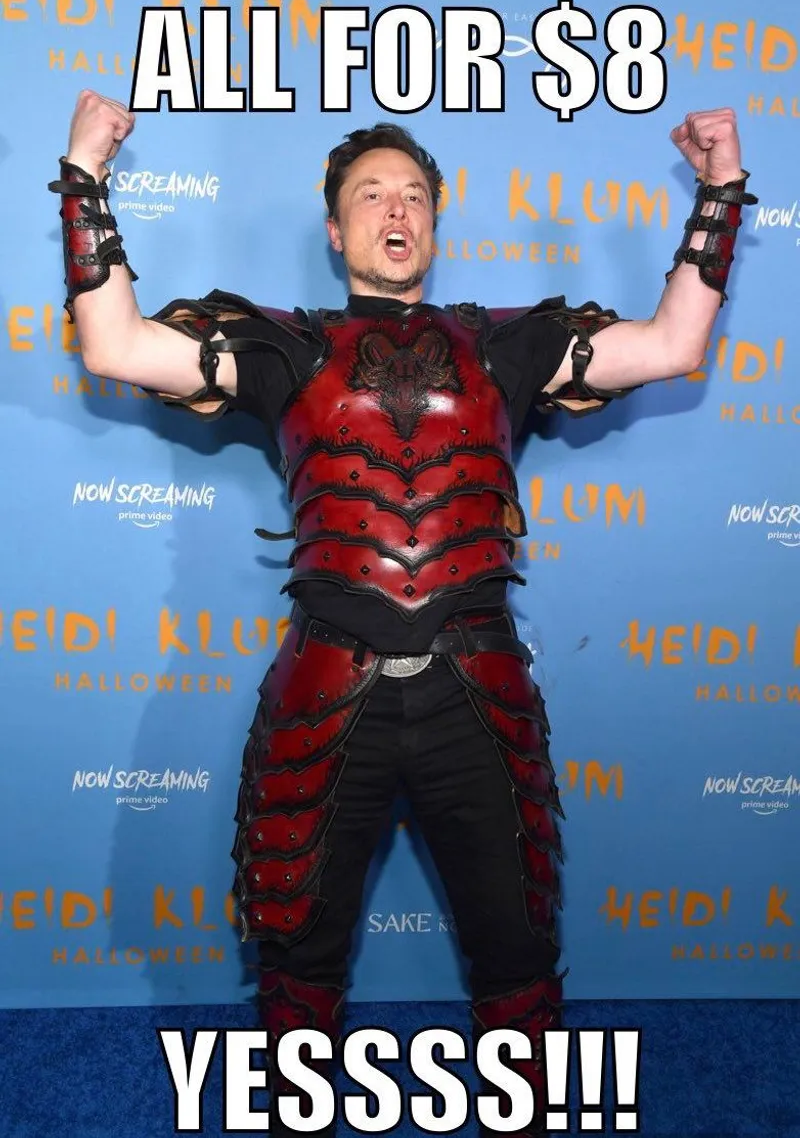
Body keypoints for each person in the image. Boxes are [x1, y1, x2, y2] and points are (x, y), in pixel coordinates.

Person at [49, 90, 755, 1136]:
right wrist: (84, 173)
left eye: (414, 194)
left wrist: (719, 189)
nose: (395, 208)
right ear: (336, 231)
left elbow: (669, 346)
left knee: (517, 945)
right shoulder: (284, 345)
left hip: (480, 688)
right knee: (297, 951)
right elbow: (115, 347)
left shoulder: (506, 343)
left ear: (432, 221)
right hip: (326, 688)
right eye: (371, 193)